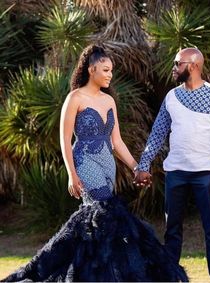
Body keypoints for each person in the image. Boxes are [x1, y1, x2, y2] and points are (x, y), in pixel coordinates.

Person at [1, 45, 188, 282]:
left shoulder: (109, 100)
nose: (110, 74)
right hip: (84, 159)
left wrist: (136, 167)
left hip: (107, 163)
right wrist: (71, 173)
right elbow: (64, 139)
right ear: (92, 69)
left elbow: (117, 141)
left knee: (101, 222)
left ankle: (94, 273)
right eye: (106, 70)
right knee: (106, 211)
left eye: (111, 70)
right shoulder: (75, 98)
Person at [134, 47, 210, 282]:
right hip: (175, 173)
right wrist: (143, 164)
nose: (174, 67)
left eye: (178, 63)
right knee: (172, 232)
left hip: (206, 175)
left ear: (194, 65)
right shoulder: (171, 97)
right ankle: (171, 278)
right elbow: (157, 134)